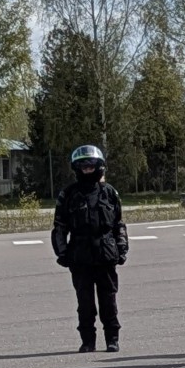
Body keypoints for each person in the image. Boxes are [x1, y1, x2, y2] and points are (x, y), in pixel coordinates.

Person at [52, 144, 128, 353]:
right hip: (80, 256)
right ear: (77, 168)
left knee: (109, 300)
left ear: (99, 166)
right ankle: (88, 341)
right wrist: (62, 253)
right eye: (83, 166)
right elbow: (59, 227)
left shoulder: (109, 192)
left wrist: (122, 248)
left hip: (106, 254)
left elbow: (118, 224)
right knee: (85, 303)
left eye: (91, 166)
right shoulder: (68, 194)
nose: (87, 169)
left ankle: (112, 338)